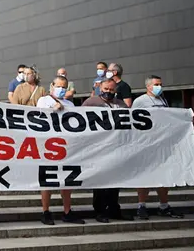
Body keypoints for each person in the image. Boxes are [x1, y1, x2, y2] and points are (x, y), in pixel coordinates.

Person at [132, 75, 184, 220]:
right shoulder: (140, 101)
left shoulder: (163, 100)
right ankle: (141, 205)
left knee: (163, 175)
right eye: (156, 84)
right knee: (144, 175)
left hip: (161, 144)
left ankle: (164, 205)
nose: (159, 87)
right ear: (148, 86)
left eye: (160, 84)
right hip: (145, 144)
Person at [82, 79, 133, 223]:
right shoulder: (90, 103)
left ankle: (113, 208)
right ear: (100, 87)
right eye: (106, 88)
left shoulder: (121, 104)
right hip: (98, 149)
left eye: (111, 90)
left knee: (115, 181)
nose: (108, 92)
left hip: (117, 148)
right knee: (100, 181)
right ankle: (99, 210)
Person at [36, 76, 84, 225]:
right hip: (49, 146)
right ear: (52, 86)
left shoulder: (70, 103)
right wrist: (52, 110)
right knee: (48, 179)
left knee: (68, 179)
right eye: (59, 86)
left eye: (64, 87)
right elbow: (38, 119)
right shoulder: (43, 100)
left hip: (67, 146)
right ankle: (45, 211)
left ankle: (67, 211)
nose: (62, 89)